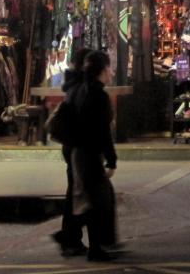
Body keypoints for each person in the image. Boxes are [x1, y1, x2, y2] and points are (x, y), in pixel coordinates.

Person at [65, 51, 118, 262]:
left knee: (89, 198)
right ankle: (94, 247)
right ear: (103, 70)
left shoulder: (79, 90)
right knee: (97, 200)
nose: (112, 71)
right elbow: (103, 131)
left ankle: (79, 241)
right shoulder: (98, 95)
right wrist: (111, 159)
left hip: (77, 152)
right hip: (89, 153)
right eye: (110, 67)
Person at [52, 47, 92, 258]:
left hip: (73, 146)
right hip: (79, 147)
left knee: (76, 193)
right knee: (82, 194)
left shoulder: (73, 84)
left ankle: (70, 236)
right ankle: (69, 237)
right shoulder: (81, 88)